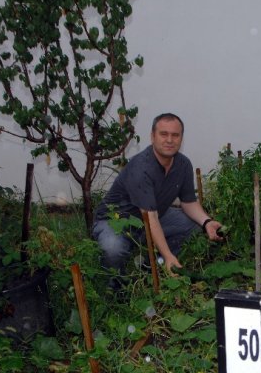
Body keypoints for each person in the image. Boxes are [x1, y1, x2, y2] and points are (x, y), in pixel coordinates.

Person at [92, 113, 222, 286]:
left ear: (181, 138)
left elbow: (188, 202)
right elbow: (150, 218)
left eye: (175, 135)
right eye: (163, 134)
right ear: (153, 136)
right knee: (113, 249)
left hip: (153, 216)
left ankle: (153, 265)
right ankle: (117, 289)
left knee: (193, 226)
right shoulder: (141, 168)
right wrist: (169, 253)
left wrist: (207, 222)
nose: (169, 140)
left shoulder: (183, 164)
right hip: (116, 220)